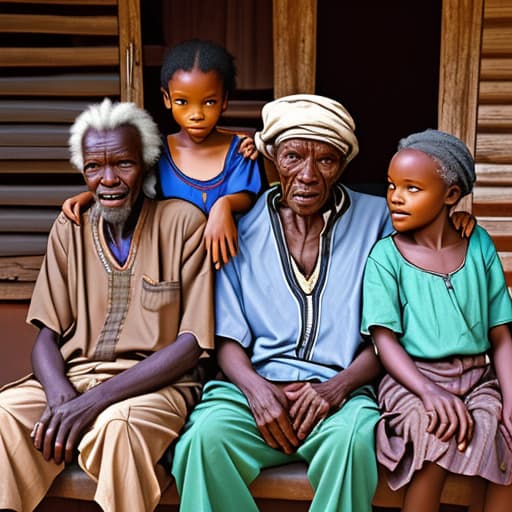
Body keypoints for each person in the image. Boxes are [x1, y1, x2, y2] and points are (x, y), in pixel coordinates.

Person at [169, 93, 393, 512]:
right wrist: (257, 391)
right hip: (251, 390)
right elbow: (227, 335)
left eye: (325, 161)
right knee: (203, 440)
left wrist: (334, 389)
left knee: (352, 441)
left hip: (339, 392)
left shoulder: (379, 220)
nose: (307, 175)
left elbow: (387, 336)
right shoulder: (238, 227)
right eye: (292, 157)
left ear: (342, 165)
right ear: (271, 158)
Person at [0, 98, 213, 512]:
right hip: (75, 379)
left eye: (123, 164)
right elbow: (47, 334)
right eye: (94, 167)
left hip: (155, 387)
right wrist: (61, 393)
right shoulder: (71, 227)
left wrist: (95, 401)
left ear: (146, 165)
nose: (108, 179)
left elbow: (191, 344)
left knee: (121, 427)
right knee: (4, 413)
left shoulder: (183, 224)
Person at [361, 129, 512, 512]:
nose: (395, 197)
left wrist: (511, 399)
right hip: (411, 380)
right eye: (392, 185)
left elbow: (501, 336)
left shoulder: (479, 245)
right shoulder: (386, 257)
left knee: (505, 441)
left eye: (413, 188)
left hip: (479, 378)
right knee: (435, 438)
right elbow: (385, 341)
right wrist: (430, 392)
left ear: (450, 195)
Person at [63, 39, 264, 270]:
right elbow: (132, 182)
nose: (196, 114)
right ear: (167, 99)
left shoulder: (239, 150)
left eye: (209, 102)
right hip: (178, 269)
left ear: (225, 101)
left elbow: (248, 196)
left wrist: (224, 204)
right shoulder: (159, 152)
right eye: (182, 101)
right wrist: (90, 197)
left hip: (231, 266)